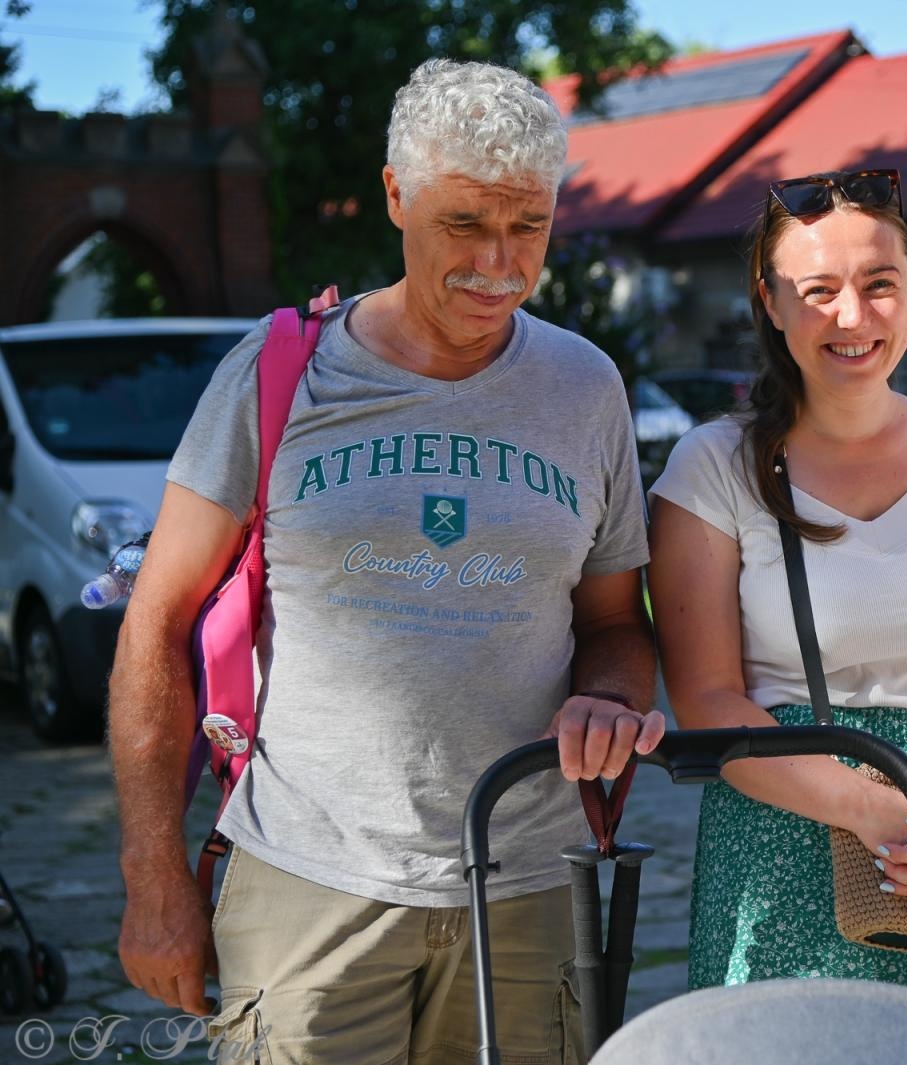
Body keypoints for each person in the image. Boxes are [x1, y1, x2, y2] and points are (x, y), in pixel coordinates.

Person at [109, 58, 664, 1064]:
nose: (499, 264)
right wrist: (155, 879)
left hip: (531, 891)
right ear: (397, 195)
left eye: (527, 227)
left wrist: (611, 700)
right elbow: (154, 621)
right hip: (308, 887)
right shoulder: (278, 372)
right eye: (465, 224)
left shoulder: (586, 388)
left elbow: (616, 625)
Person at [647, 168, 907, 1063]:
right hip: (787, 828)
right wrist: (869, 805)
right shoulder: (714, 465)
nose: (853, 316)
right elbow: (709, 699)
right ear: (769, 302)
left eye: (879, 284)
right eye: (819, 291)